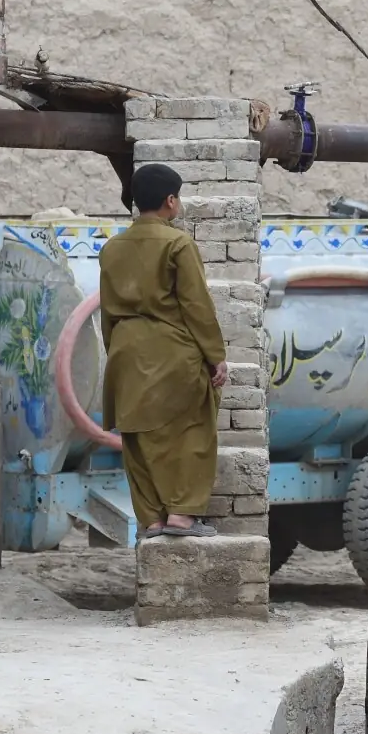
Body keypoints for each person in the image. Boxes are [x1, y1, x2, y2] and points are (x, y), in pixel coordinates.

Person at [98, 164, 229, 539]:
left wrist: (120, 356)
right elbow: (197, 306)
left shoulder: (112, 248)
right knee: (192, 432)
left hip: (125, 352)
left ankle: (152, 519)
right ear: (171, 201)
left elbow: (107, 311)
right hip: (173, 351)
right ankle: (182, 516)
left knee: (137, 438)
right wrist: (214, 355)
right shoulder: (177, 244)